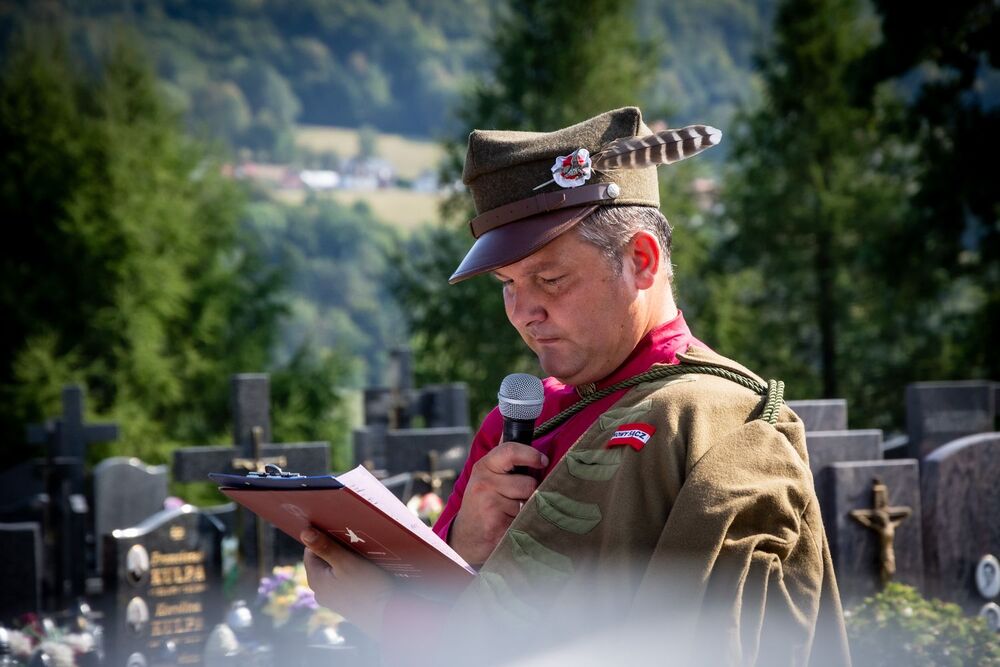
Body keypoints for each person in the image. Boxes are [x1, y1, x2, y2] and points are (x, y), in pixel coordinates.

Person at [302, 107, 852, 666]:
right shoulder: (520, 421)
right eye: (507, 284)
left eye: (550, 279)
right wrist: (466, 544)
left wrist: (385, 613)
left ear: (641, 260)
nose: (524, 312)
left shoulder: (713, 418)